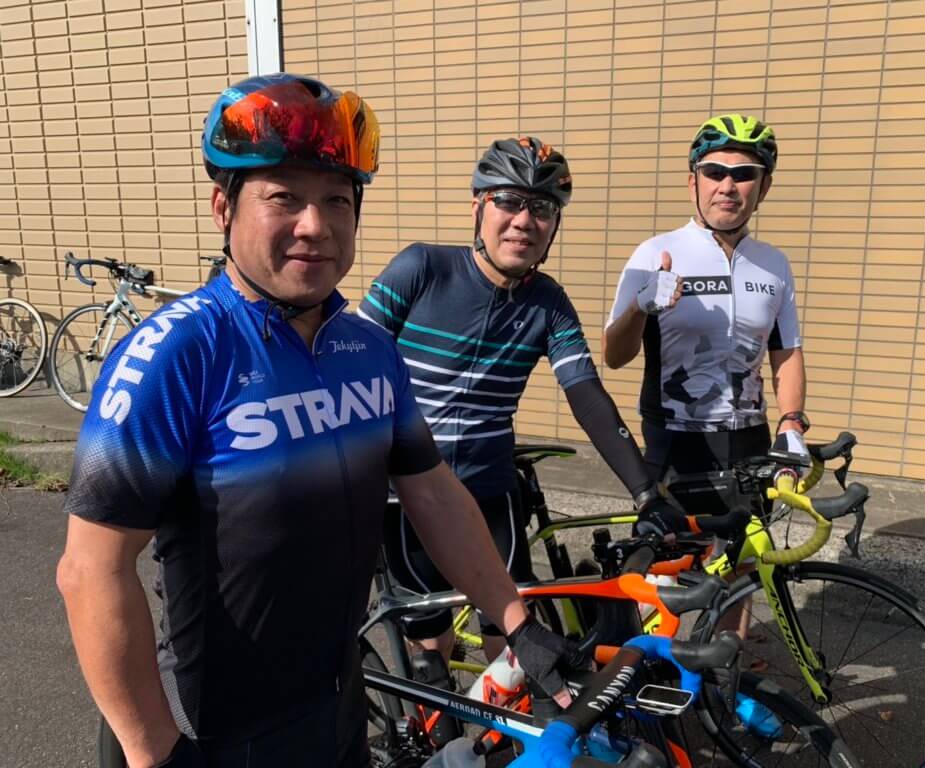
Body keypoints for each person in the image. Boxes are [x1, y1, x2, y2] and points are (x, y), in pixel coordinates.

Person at [56, 75, 582, 768]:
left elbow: (431, 492)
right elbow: (91, 570)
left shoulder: (369, 351)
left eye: (337, 199)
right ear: (223, 207)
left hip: (339, 699)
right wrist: (151, 750)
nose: (315, 224)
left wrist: (515, 621)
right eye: (284, 197)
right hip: (221, 726)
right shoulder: (174, 355)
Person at [358, 137, 679, 663]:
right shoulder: (421, 269)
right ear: (478, 208)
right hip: (406, 495)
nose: (524, 220)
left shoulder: (548, 302)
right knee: (429, 650)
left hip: (491, 492)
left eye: (543, 208)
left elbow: (586, 395)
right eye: (508, 200)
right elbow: (350, 364)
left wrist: (646, 492)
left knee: (514, 652)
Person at [603, 114, 809, 534]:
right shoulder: (655, 252)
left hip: (751, 442)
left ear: (764, 186)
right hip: (675, 442)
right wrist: (640, 308)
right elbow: (614, 356)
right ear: (692, 182)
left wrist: (792, 421)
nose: (727, 186)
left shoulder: (774, 264)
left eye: (744, 174)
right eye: (714, 172)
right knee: (670, 568)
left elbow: (786, 351)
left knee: (746, 563)